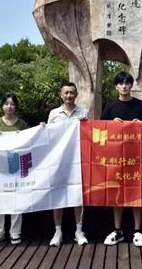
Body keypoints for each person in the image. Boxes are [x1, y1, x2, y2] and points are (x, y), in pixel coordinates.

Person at [101, 71, 142, 247]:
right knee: (117, 193)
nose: (124, 86)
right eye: (120, 83)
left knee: (137, 192)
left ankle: (138, 231)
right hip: (116, 159)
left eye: (127, 83)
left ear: (131, 85)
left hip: (138, 158)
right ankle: (118, 230)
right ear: (116, 86)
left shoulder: (141, 106)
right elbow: (99, 130)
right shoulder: (110, 107)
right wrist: (110, 125)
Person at [46, 82, 89, 247]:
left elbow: (89, 135)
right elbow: (48, 136)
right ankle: (58, 231)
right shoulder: (54, 113)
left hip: (77, 159)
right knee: (58, 194)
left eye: (72, 93)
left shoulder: (83, 112)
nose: (69, 95)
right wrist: (43, 127)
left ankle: (79, 230)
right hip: (58, 160)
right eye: (66, 93)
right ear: (61, 94)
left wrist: (86, 124)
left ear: (76, 95)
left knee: (77, 195)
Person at [0, 93, 29, 245]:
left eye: (12, 104)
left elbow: (30, 142)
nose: (9, 106)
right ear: (2, 106)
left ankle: (15, 233)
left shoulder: (22, 124)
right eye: (6, 103)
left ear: (16, 106)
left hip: (16, 166)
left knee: (16, 201)